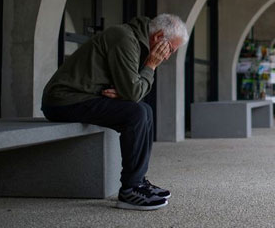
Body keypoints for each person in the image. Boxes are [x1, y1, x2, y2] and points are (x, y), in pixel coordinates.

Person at [41, 14, 189, 211]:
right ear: (159, 36)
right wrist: (151, 65)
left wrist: (127, 91)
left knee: (145, 110)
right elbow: (134, 92)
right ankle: (130, 190)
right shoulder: (125, 39)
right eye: (170, 49)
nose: (168, 56)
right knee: (135, 113)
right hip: (63, 100)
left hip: (85, 96)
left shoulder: (136, 41)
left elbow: (132, 91)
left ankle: (138, 181)